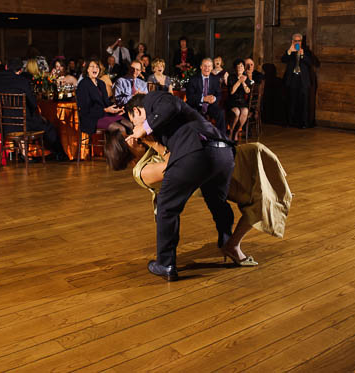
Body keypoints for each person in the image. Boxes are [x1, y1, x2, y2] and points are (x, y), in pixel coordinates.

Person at [105, 131, 292, 267]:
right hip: (208, 176)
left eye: (127, 134)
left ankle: (233, 243)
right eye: (126, 138)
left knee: (259, 157)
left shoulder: (146, 150)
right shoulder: (142, 171)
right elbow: (178, 164)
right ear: (123, 151)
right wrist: (155, 144)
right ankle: (232, 245)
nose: (131, 136)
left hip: (211, 164)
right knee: (259, 194)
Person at [123, 91, 235, 281]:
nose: (136, 127)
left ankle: (165, 264)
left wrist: (143, 128)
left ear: (136, 110)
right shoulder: (167, 122)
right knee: (217, 201)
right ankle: (228, 242)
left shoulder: (153, 99)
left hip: (196, 153)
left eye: (134, 122)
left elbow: (171, 106)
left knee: (166, 206)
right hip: (223, 154)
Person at [0, 57, 65, 161]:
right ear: (20, 71)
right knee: (49, 127)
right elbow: (33, 104)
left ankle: (23, 153)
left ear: (6, 67)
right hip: (23, 123)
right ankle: (59, 155)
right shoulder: (23, 81)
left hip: (2, 124)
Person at [76, 59, 126, 135]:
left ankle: (127, 146)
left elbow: (106, 102)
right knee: (121, 129)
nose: (95, 69)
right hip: (91, 118)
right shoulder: (83, 84)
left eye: (97, 67)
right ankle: (116, 147)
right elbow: (85, 108)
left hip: (104, 114)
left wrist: (116, 109)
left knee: (129, 125)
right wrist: (105, 110)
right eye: (92, 66)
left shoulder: (101, 83)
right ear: (87, 69)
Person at [281, 33, 319, 128]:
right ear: (292, 41)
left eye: (299, 41)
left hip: (303, 80)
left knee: (304, 102)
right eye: (295, 41)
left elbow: (312, 63)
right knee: (291, 101)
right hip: (292, 79)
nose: (297, 42)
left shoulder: (306, 51)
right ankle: (290, 122)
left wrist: (302, 55)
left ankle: (304, 123)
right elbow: (283, 60)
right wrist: (290, 51)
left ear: (302, 42)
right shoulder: (290, 51)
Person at [185, 58, 226, 131]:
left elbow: (219, 94)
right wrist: (203, 99)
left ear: (212, 68)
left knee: (221, 113)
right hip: (197, 105)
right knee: (193, 114)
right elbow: (190, 97)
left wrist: (214, 98)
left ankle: (221, 138)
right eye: (205, 66)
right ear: (201, 67)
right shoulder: (193, 79)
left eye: (209, 66)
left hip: (210, 105)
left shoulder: (215, 79)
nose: (207, 68)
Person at [227, 59, 252, 141]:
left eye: (241, 66)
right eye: (238, 66)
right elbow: (232, 91)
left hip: (241, 101)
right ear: (235, 68)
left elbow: (247, 91)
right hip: (232, 101)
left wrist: (244, 82)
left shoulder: (246, 77)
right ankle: (231, 130)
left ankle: (237, 131)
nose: (240, 68)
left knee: (245, 111)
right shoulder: (231, 77)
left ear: (244, 68)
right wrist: (239, 81)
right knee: (237, 112)